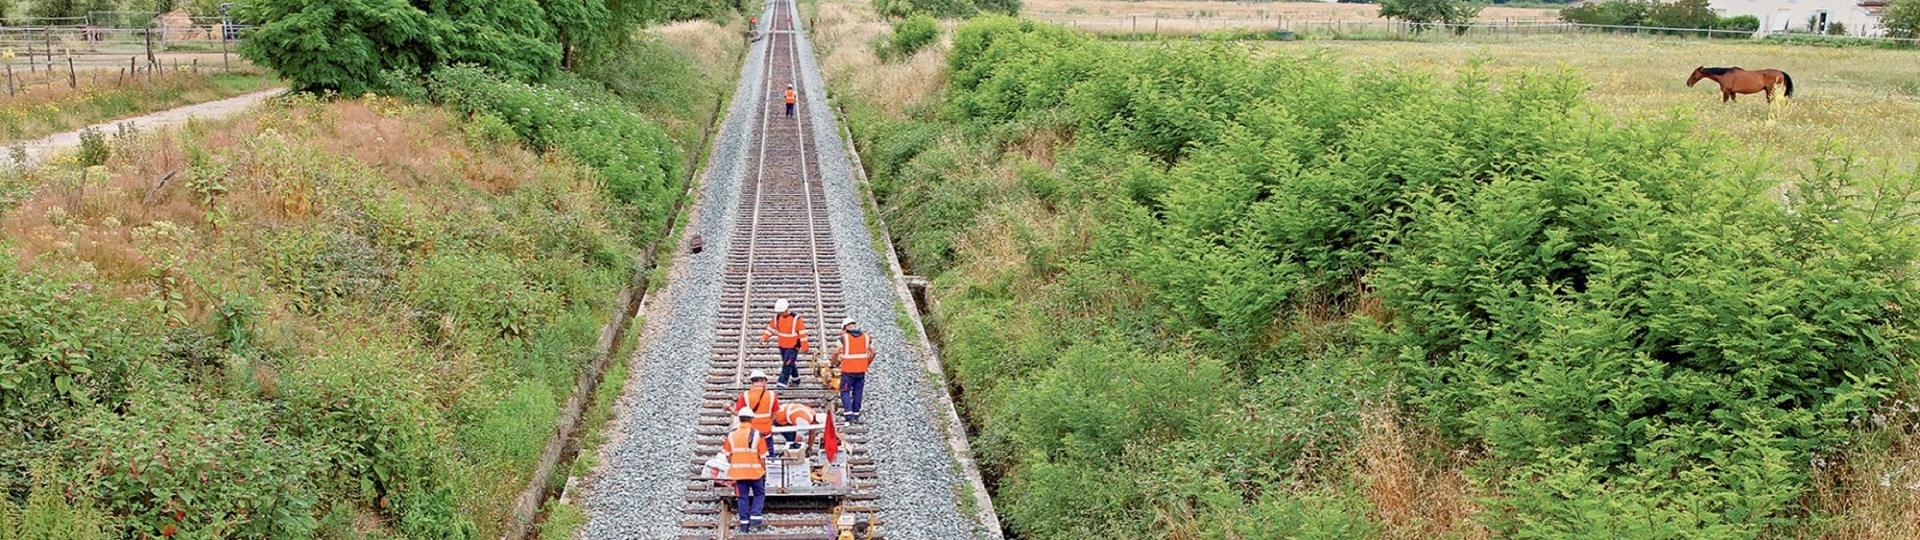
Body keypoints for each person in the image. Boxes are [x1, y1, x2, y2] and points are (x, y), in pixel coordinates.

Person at [721, 406, 767, 533]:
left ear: (739, 419)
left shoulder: (731, 435)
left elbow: (727, 454)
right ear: (751, 419)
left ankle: (744, 525)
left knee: (742, 497)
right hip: (755, 472)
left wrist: (735, 464)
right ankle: (755, 521)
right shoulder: (757, 434)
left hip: (738, 473)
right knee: (759, 494)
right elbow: (762, 456)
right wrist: (764, 469)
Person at [760, 299, 809, 388]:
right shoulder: (777, 318)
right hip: (782, 346)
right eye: (779, 312)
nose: (780, 314)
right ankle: (796, 379)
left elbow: (802, 334)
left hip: (793, 346)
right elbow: (771, 329)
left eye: (781, 312)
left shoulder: (796, 319)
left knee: (787, 364)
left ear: (786, 309)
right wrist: (764, 337)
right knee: (789, 363)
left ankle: (781, 384)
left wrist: (805, 346)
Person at [831, 319, 872, 423]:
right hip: (861, 371)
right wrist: (866, 363)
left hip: (848, 371)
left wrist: (833, 364)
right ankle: (856, 414)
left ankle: (849, 415)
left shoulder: (843, 338)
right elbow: (873, 352)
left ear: (845, 328)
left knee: (844, 391)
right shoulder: (866, 337)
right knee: (858, 392)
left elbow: (836, 352)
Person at [733, 370, 780, 457]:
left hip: (751, 432)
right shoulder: (771, 395)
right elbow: (775, 412)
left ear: (752, 382)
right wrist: (769, 421)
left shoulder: (746, 395)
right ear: (763, 381)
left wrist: (729, 408)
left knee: (752, 455)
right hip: (766, 431)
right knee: (769, 456)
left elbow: (738, 413)